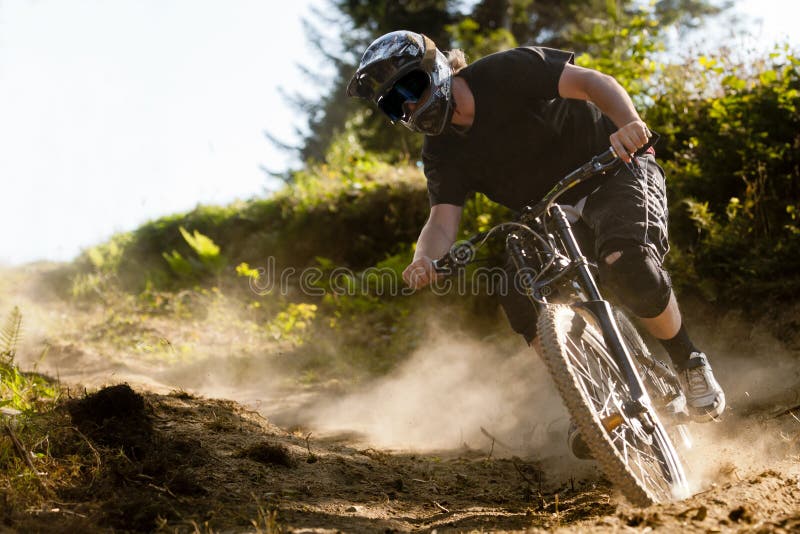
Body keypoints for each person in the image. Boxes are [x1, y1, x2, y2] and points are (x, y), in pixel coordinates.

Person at [346, 30, 725, 422]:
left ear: (436, 67)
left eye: (411, 87)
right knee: (517, 294)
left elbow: (593, 83)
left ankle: (689, 361)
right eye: (395, 104)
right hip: (548, 213)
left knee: (625, 260)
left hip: (613, 169)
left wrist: (629, 124)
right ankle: (591, 399)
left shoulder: (504, 71)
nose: (409, 105)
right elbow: (442, 219)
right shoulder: (440, 151)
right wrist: (425, 258)